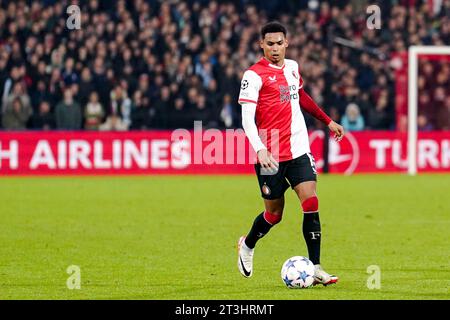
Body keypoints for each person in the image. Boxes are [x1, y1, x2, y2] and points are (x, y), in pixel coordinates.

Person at [237, 22, 344, 286]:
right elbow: (247, 119)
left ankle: (316, 266)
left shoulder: (293, 68)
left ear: (287, 43)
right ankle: (247, 245)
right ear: (262, 45)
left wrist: (327, 120)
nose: (275, 48)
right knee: (274, 215)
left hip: (298, 150)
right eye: (269, 43)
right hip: (270, 156)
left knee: (311, 201)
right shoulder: (253, 76)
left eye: (279, 43)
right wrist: (259, 148)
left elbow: (301, 97)